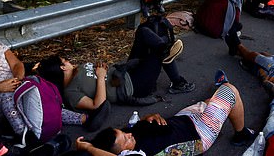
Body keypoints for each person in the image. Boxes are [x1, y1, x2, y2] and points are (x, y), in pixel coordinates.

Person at [74, 80, 255, 156]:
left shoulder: (128, 137)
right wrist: (90, 149)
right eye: (125, 140)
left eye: (124, 133)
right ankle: (241, 134)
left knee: (211, 101)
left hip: (183, 119)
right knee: (229, 91)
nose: (129, 135)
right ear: (120, 153)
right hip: (201, 132)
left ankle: (219, 98)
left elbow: (135, 129)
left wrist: (148, 118)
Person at [37, 19, 195, 113]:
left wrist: (105, 68)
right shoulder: (71, 93)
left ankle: (164, 49)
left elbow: (101, 71)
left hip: (126, 70)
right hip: (133, 87)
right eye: (65, 61)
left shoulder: (77, 70)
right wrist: (100, 77)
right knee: (158, 54)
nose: (68, 61)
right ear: (62, 68)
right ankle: (166, 56)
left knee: (143, 30)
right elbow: (97, 104)